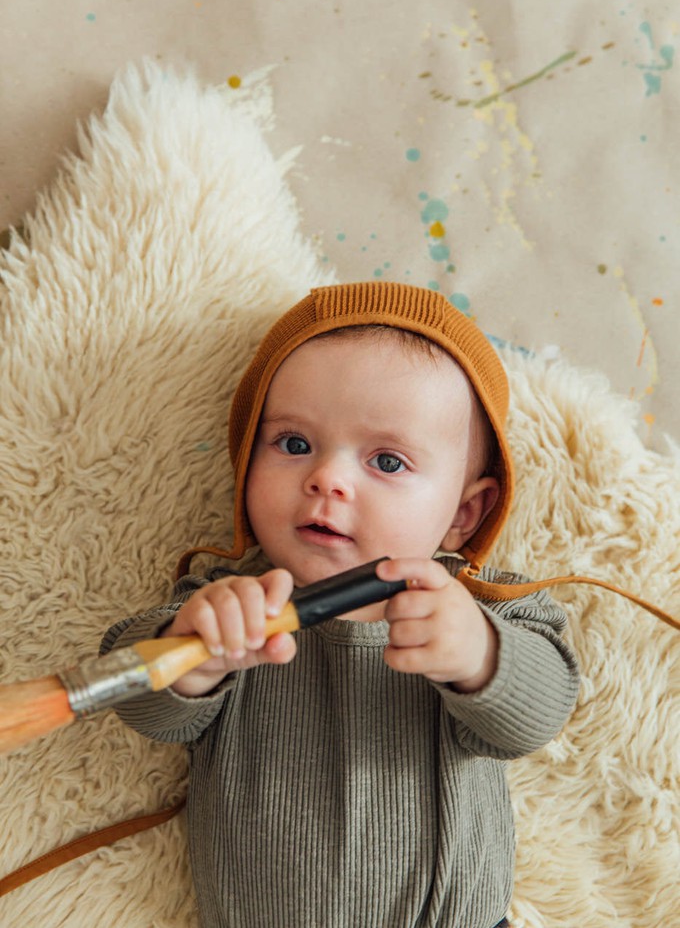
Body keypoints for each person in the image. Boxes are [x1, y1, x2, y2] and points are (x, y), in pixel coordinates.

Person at [101, 281, 580, 928]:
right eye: (294, 444)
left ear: (464, 513)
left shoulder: (473, 610)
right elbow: (134, 700)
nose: (327, 478)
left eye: (388, 461)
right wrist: (193, 658)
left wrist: (481, 655)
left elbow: (540, 715)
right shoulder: (231, 602)